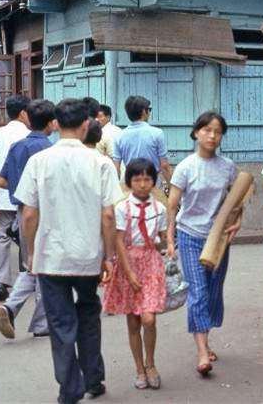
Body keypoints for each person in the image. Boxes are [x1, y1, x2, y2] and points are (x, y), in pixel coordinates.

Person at [15, 98, 122, 404]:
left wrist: (32, 252)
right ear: (87, 124)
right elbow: (108, 215)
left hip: (51, 256)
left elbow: (29, 213)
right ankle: (93, 378)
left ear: (57, 124)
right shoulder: (100, 164)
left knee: (60, 323)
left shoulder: (40, 161)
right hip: (88, 255)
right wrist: (109, 256)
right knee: (88, 313)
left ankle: (70, 386)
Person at [166, 111, 240, 377]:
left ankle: (205, 341)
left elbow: (237, 200)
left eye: (218, 131)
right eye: (207, 130)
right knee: (198, 291)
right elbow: (172, 206)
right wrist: (170, 239)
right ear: (196, 132)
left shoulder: (228, 167)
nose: (212, 135)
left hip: (219, 239)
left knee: (211, 291)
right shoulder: (186, 167)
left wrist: (238, 221)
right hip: (190, 236)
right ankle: (201, 351)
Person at [103, 158, 167, 391]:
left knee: (149, 318)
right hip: (128, 264)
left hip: (151, 263)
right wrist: (128, 273)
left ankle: (151, 363)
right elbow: (118, 239)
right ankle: (139, 368)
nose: (142, 184)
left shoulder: (159, 208)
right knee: (133, 322)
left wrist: (165, 248)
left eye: (147, 179)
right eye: (137, 179)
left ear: (153, 181)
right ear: (129, 182)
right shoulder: (122, 208)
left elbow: (162, 236)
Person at [0, 99, 56, 339]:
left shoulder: (18, 146)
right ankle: (42, 323)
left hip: (22, 212)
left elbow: (1, 181)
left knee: (30, 264)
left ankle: (11, 306)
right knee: (45, 268)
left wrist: (23, 187)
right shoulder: (50, 150)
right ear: (51, 123)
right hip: (46, 211)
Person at [0, 94, 31, 301]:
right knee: (26, 237)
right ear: (23, 113)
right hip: (24, 196)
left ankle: (0, 281)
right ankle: (26, 277)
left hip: (1, 194)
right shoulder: (29, 135)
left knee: (2, 236)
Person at [113, 96, 172, 186]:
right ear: (144, 111)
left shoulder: (119, 136)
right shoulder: (157, 133)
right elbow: (164, 165)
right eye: (149, 109)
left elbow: (116, 168)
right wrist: (172, 188)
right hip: (152, 183)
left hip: (131, 183)